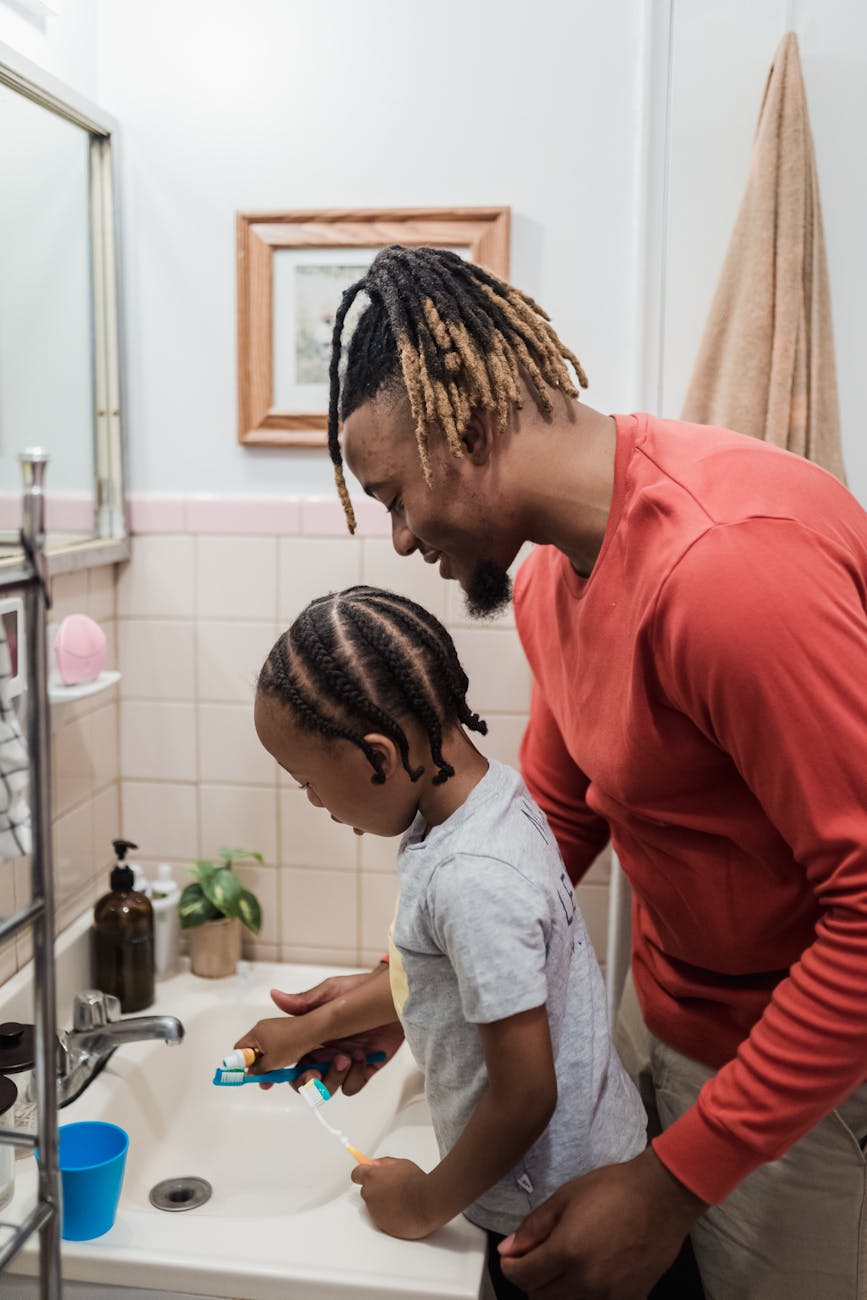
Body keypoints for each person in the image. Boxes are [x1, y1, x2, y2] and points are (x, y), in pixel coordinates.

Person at [266, 244, 867, 1300]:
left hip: (811, 1084)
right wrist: (409, 987)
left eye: (396, 496)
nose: (401, 539)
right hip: (670, 1021)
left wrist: (677, 1179)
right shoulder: (551, 579)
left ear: (470, 427)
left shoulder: (731, 570)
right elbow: (545, 823)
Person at [234, 586, 647, 1300]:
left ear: (377, 755)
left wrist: (423, 1204)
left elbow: (524, 1095)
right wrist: (311, 1030)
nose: (314, 802)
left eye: (307, 782)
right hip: (575, 1164)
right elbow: (445, 973)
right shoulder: (488, 805)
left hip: (549, 1215)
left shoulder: (471, 877)